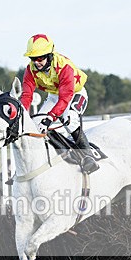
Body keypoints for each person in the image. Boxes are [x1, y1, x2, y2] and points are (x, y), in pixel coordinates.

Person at [19, 33, 99, 173]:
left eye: (40, 58)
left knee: (70, 120)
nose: (36, 62)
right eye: (33, 58)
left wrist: (50, 118)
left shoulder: (64, 67)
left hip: (74, 94)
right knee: (37, 125)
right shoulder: (30, 70)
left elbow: (65, 99)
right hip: (55, 96)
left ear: (50, 55)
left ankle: (88, 156)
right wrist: (22, 115)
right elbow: (26, 96)